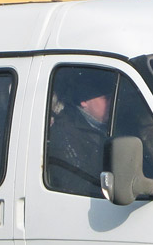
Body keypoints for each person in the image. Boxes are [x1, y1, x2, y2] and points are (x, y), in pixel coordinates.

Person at [46, 69, 114, 197]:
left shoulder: (115, 123)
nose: (111, 103)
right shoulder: (65, 133)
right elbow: (78, 185)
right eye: (106, 98)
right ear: (84, 102)